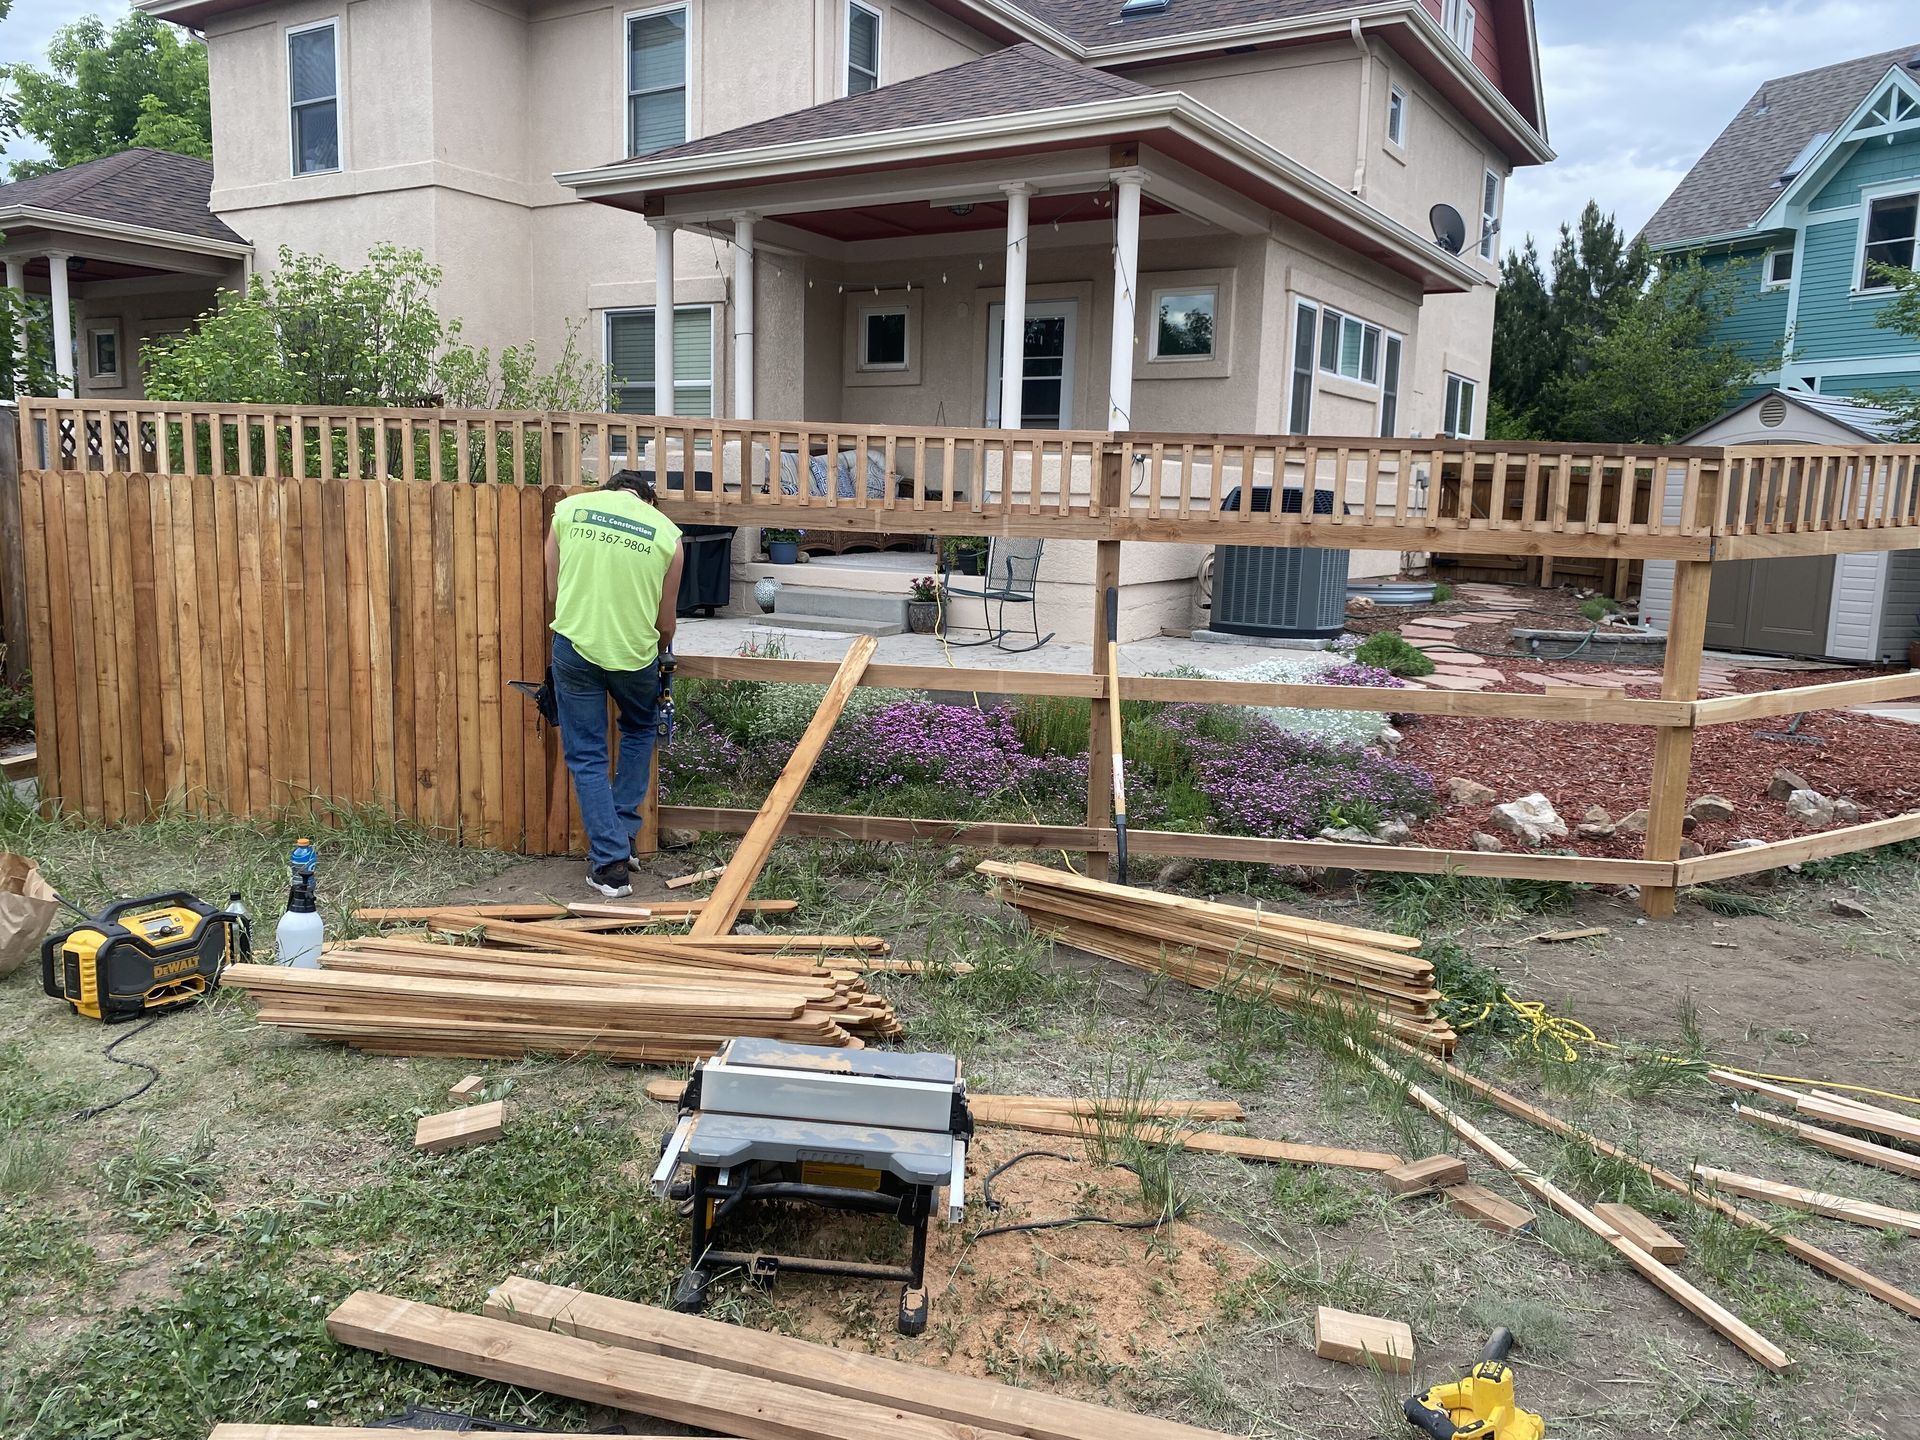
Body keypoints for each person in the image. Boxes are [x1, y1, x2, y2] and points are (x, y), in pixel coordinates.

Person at [546, 468, 684, 897]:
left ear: (606, 491)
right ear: (649, 501)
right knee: (640, 729)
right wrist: (662, 649)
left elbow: (553, 592)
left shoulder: (569, 511)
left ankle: (610, 866)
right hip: (634, 655)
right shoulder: (666, 534)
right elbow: (665, 621)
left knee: (587, 755)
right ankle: (622, 839)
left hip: (575, 647)